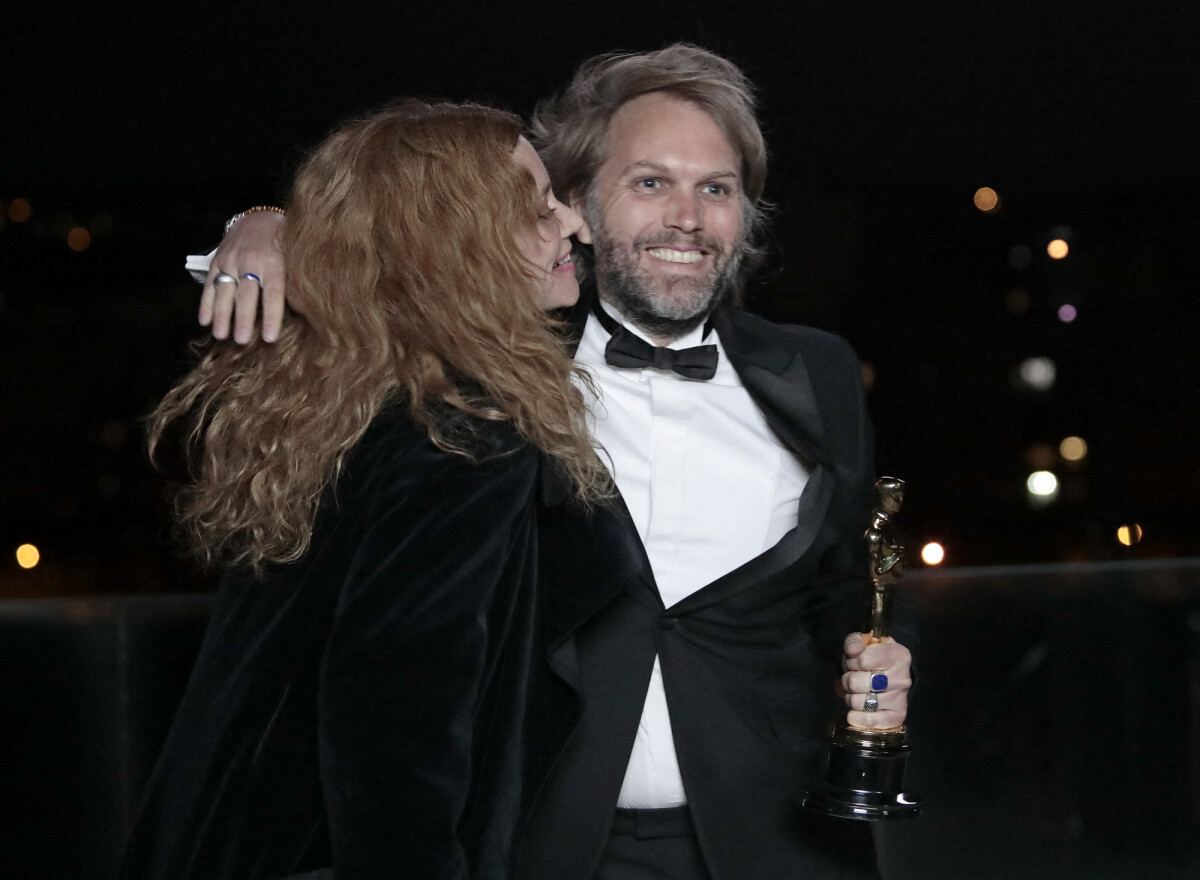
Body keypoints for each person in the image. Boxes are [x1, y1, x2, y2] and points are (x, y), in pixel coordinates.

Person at [193, 45, 915, 880]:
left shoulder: (819, 372)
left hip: (784, 842)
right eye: (651, 182)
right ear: (579, 205)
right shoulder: (484, 379)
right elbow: (405, 244)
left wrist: (883, 664)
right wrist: (266, 223)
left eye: (716, 189)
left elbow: (842, 592)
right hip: (546, 845)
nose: (687, 216)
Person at [122, 99, 610, 880]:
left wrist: (261, 221)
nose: (573, 226)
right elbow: (396, 727)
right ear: (458, 243)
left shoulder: (348, 403)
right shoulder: (462, 437)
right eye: (538, 208)